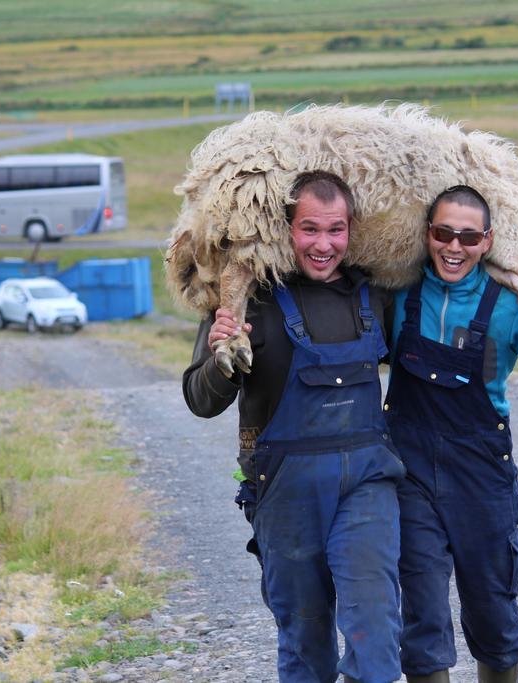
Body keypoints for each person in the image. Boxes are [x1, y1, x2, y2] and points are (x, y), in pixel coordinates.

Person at [182, 171, 405, 683]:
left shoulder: (375, 298)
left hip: (368, 486)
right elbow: (199, 401)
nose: (324, 245)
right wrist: (221, 358)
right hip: (284, 493)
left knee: (374, 620)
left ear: (353, 231)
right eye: (309, 229)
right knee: (304, 634)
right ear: (285, 229)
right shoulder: (245, 302)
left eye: (336, 229)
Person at [385, 186, 518, 683]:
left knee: (494, 620)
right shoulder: (395, 295)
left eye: (469, 236)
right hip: (409, 475)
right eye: (443, 233)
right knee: (424, 621)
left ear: (488, 240)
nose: (454, 247)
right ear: (427, 234)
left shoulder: (508, 306)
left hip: (481, 474)